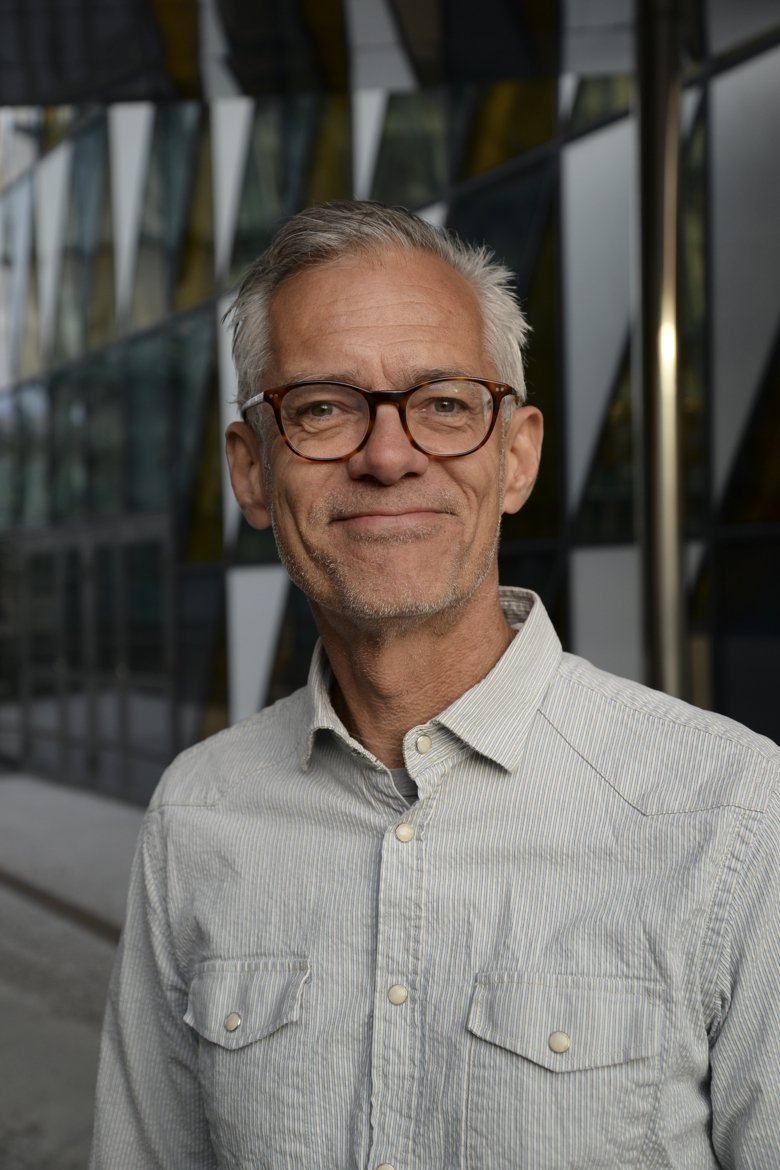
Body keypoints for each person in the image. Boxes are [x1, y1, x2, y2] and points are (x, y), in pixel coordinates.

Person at [90, 201, 779, 1170]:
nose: (387, 454)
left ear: (517, 455)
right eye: (324, 407)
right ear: (251, 473)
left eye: (445, 404)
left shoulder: (735, 816)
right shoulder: (195, 817)